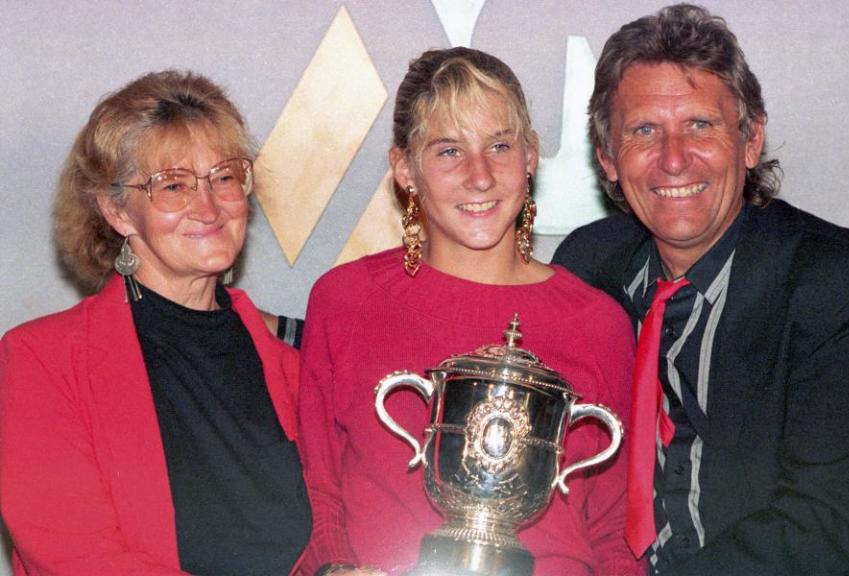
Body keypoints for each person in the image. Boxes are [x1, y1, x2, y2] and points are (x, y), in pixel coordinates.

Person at [552, 4, 849, 575]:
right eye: (644, 131)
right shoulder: (587, 268)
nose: (673, 159)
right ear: (607, 157)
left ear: (750, 140)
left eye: (700, 125)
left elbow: (821, 529)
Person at [297, 47, 641, 576]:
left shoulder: (597, 323)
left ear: (531, 156)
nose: (480, 176)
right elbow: (318, 495)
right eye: (448, 151)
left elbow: (613, 533)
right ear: (404, 169)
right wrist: (338, 569)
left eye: (500, 145)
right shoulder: (344, 301)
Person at [0, 71, 313, 575]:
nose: (208, 207)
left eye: (225, 177)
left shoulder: (295, 360)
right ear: (116, 210)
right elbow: (76, 558)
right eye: (173, 186)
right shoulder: (45, 360)